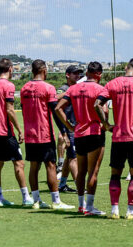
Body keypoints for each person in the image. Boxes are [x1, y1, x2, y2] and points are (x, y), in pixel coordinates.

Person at [95, 58, 133, 219]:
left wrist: (106, 124)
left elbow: (97, 104)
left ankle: (114, 210)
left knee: (115, 174)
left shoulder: (113, 83)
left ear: (125, 68)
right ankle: (130, 211)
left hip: (118, 136)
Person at [21, 59, 74, 210]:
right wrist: (64, 132)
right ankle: (56, 201)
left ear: (32, 71)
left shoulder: (24, 88)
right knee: (50, 166)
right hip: (44, 133)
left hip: (29, 134)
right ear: (44, 71)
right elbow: (56, 113)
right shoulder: (48, 88)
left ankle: (36, 201)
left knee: (33, 166)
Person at [55, 62, 107, 216]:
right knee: (93, 172)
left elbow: (58, 108)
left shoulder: (74, 88)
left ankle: (80, 205)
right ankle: (90, 208)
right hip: (95, 133)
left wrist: (70, 126)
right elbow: (103, 109)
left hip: (78, 134)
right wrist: (106, 124)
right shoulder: (100, 89)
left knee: (81, 172)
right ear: (99, 74)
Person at [0, 58, 33, 207]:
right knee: (19, 163)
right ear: (11, 69)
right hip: (5, 131)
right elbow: (10, 110)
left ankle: (0, 198)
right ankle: (26, 198)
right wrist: (20, 130)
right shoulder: (9, 86)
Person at [56, 65, 81, 193]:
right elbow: (55, 97)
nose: (77, 76)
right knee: (73, 158)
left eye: (78, 74)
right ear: (67, 75)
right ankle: (80, 187)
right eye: (74, 73)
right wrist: (70, 92)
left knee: (69, 157)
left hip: (76, 127)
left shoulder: (76, 88)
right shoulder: (64, 89)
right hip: (69, 127)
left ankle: (62, 184)